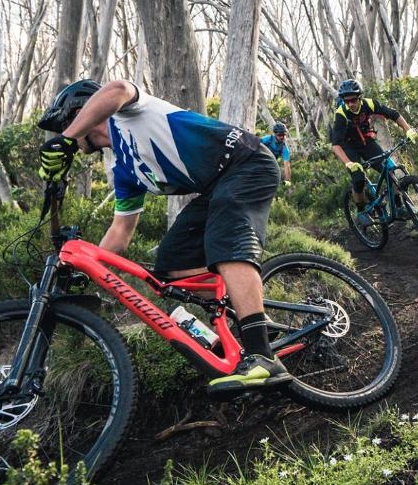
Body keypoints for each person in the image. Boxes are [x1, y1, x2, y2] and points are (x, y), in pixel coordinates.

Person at [37, 79, 291, 396]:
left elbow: (117, 89)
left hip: (248, 163)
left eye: (64, 123)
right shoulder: (125, 171)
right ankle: (246, 321)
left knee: (226, 242)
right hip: (216, 187)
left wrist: (66, 138)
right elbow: (120, 232)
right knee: (171, 265)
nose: (65, 132)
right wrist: (84, 267)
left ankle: (263, 357)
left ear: (79, 112)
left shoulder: (128, 113)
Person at [328, 79, 418, 226]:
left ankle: (398, 207)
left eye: (353, 100)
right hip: (348, 146)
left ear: (360, 97)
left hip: (366, 142)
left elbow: (393, 114)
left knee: (389, 171)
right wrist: (349, 163)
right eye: (347, 101)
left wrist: (408, 130)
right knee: (358, 179)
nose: (350, 104)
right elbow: (336, 145)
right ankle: (361, 211)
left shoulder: (369, 104)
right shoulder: (341, 114)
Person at [260, 122, 293, 189]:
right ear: (275, 134)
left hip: (269, 165)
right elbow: (255, 143)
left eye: (283, 135)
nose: (282, 137)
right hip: (259, 159)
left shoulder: (284, 148)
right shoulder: (268, 139)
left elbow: (286, 164)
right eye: (280, 135)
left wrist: (288, 180)